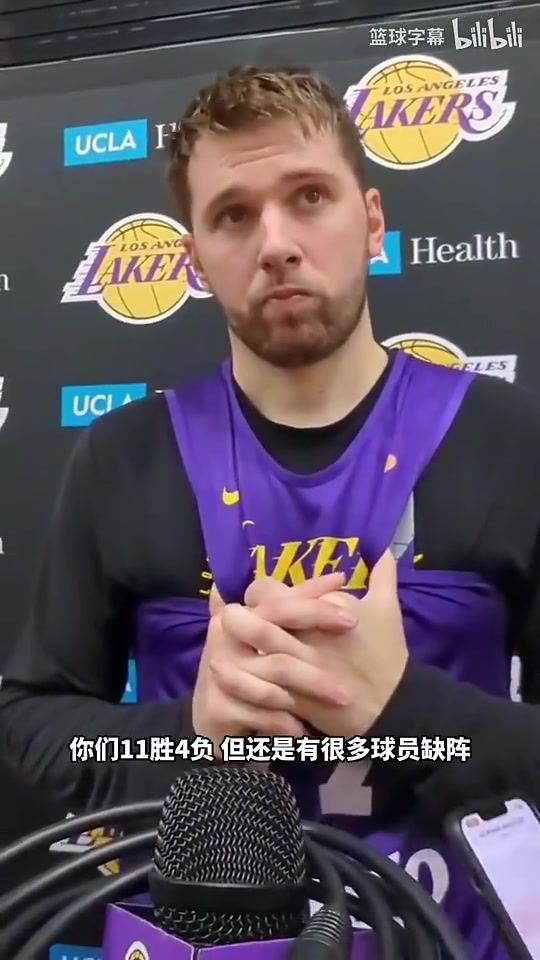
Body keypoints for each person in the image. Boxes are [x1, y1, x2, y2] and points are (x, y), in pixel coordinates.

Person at [1, 65, 540, 957]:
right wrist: (191, 734)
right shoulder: (124, 459)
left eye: (309, 197)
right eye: (233, 215)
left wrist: (405, 708)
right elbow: (30, 725)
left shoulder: (510, 441)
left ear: (372, 221)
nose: (277, 242)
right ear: (193, 257)